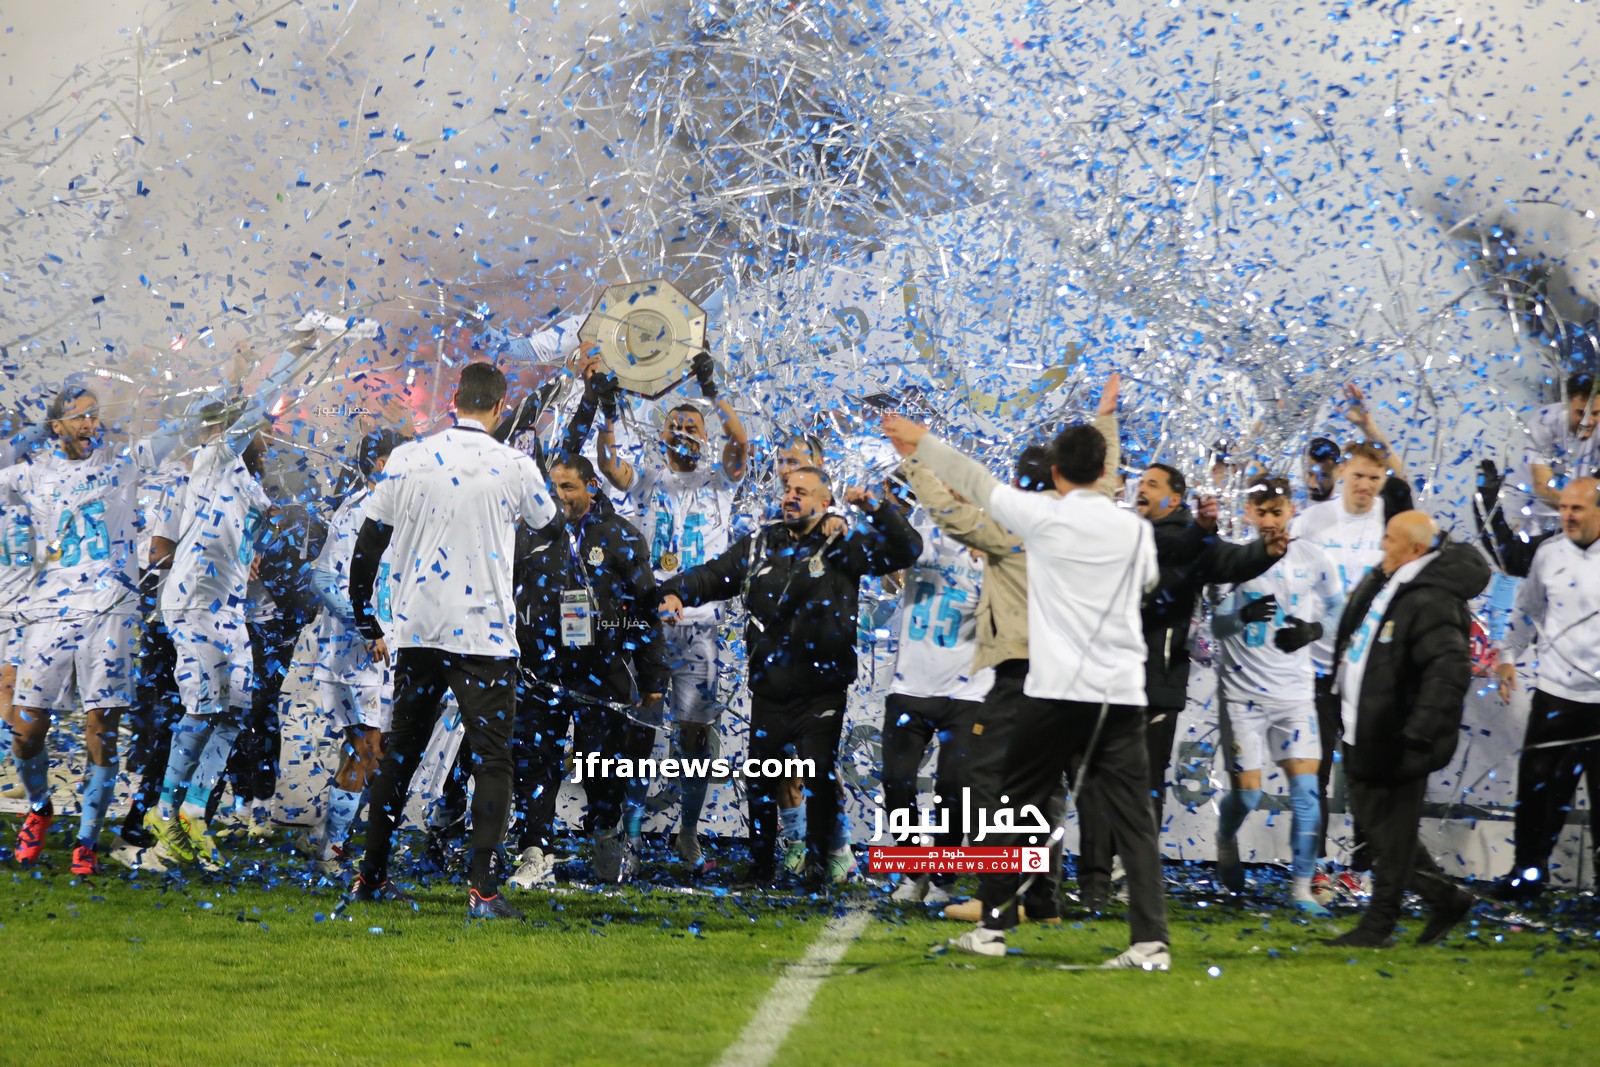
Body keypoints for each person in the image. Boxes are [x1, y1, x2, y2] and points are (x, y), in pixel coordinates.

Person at [885, 413, 1171, 971]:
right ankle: (1150, 943)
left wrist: (919, 447)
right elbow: (1149, 583)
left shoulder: (1039, 518)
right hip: (1120, 692)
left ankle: (993, 928)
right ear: (1104, 472)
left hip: (1053, 689)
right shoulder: (1133, 529)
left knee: (1007, 806)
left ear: (1058, 472)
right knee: (1133, 818)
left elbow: (972, 482)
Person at [893, 377, 1122, 925]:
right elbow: (1106, 478)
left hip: (1024, 674)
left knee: (989, 784)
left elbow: (951, 514)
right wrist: (1106, 424)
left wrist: (915, 462)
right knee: (1046, 790)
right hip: (1076, 675)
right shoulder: (1094, 513)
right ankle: (1042, 900)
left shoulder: (1015, 526)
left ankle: (997, 898)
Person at [348, 361, 557, 920]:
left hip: (418, 629)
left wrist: (367, 620)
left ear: (454, 402)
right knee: (493, 760)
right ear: (501, 406)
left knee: (402, 753)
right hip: (484, 635)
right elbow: (551, 527)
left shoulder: (407, 457)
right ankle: (482, 892)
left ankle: (370, 878)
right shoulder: (514, 464)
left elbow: (367, 546)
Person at [658, 464, 921, 890]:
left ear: (824, 502)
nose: (790, 496)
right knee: (761, 781)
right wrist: (674, 592)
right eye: (787, 489)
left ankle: (818, 866)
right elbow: (713, 575)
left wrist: (875, 508)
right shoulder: (761, 543)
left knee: (818, 778)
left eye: (802, 491)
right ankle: (762, 868)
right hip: (770, 690)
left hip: (822, 693)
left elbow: (906, 550)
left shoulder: (842, 544)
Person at [2, 384, 188, 874]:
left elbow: (186, 427)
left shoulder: (122, 465)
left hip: (110, 611)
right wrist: (28, 432)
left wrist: (234, 394)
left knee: (102, 728)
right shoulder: (31, 473)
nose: (90, 423)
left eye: (95, 415)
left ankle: (86, 840)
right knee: (26, 729)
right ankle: (39, 806)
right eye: (78, 416)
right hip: (49, 610)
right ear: (56, 425)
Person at [1080, 460, 1282, 908]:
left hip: (1156, 681)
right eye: (1141, 482)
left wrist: (1266, 551)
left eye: (1152, 484)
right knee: (1096, 782)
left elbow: (1233, 560)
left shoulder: (1191, 540)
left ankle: (1132, 874)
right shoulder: (1128, 532)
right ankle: (1094, 883)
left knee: (1144, 783)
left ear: (1174, 498)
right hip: (1105, 678)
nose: (1141, 488)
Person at [595, 351, 748, 872]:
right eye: (675, 426)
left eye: (692, 428)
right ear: (661, 435)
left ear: (704, 437)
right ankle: (633, 835)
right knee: (641, 731)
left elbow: (740, 443)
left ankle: (688, 832)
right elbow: (608, 464)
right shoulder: (647, 480)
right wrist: (609, 411)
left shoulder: (720, 484)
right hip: (649, 627)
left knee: (693, 736)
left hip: (700, 630)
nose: (682, 433)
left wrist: (712, 392)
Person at [1324, 511, 1487, 947]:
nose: (1382, 546)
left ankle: (1379, 925)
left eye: (1390, 539)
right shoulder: (1397, 582)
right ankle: (1445, 899)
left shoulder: (1432, 598)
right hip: (1367, 727)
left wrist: (1418, 732)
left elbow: (1448, 671)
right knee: (1383, 831)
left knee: (1390, 836)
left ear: (1415, 549)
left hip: (1398, 734)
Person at [507, 452, 667, 887]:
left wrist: (653, 676)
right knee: (535, 763)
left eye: (568, 487)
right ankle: (536, 851)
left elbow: (646, 609)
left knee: (600, 766)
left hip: (602, 672)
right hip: (540, 671)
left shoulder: (620, 536)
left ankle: (604, 836)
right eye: (552, 488)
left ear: (591, 487)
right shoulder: (526, 533)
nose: (558, 496)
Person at [1208, 476, 1343, 915]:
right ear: (1249, 513)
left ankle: (1301, 890)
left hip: (1295, 696)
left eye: (1277, 512)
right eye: (1261, 512)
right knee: (1248, 795)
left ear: (1291, 511)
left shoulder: (1314, 557)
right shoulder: (1231, 561)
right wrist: (1241, 616)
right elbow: (1214, 627)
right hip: (1242, 697)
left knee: (1306, 794)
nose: (1269, 520)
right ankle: (1225, 838)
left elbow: (1340, 607)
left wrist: (1314, 630)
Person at [1290, 439, 1410, 899]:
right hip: (1316, 668)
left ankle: (1361, 868)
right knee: (1314, 772)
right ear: (1342, 472)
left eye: (1374, 478)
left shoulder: (1391, 522)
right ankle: (1316, 867)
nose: (1365, 485)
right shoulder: (1311, 521)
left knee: (1367, 772)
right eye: (1358, 475)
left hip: (1369, 672)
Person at [295, 429, 407, 873]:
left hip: (375, 651)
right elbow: (323, 579)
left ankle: (324, 836)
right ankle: (333, 849)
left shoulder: (386, 508)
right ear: (381, 464)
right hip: (358, 655)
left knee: (367, 748)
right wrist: (367, 628)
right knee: (370, 749)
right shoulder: (361, 511)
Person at [880, 498, 992, 906]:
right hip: (910, 685)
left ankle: (944, 878)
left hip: (969, 690)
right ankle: (913, 871)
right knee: (896, 781)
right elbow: (889, 580)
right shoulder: (921, 538)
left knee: (953, 787)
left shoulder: (997, 547)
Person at [1493, 476, 1600, 901]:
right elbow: (1526, 610)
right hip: (1554, 695)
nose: (1567, 515)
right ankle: (1526, 875)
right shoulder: (1548, 553)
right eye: (1564, 507)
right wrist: (1507, 655)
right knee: (1537, 793)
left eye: (1577, 508)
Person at [1305, 384, 1415, 519]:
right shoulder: (1291, 508)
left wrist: (1369, 428)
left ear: (1339, 471)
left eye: (1324, 476)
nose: (1313, 484)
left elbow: (1400, 482)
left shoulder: (1369, 509)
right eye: (1309, 474)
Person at [1518, 371, 1597, 523]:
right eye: (1581, 413)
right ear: (1566, 405)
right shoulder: (1545, 421)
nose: (1588, 421)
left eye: (1595, 413)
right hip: (1530, 511)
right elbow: (1542, 487)